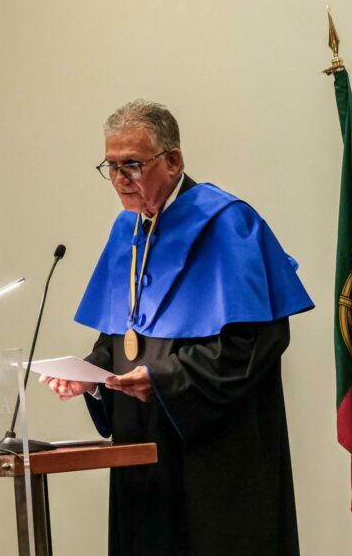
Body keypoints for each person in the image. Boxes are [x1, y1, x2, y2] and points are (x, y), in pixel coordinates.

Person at [40, 100, 313, 555]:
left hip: (214, 456)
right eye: (111, 166)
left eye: (132, 164)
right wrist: (89, 376)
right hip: (142, 449)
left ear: (173, 160)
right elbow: (120, 336)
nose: (120, 179)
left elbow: (255, 342)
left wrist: (164, 379)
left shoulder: (227, 223)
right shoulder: (126, 231)